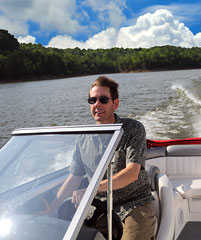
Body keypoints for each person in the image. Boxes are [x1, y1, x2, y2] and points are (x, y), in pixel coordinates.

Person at [49, 76, 156, 240]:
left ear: (115, 104)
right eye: (92, 100)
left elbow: (131, 173)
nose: (97, 104)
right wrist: (49, 210)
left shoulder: (133, 129)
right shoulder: (83, 138)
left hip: (134, 204)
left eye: (103, 99)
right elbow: (74, 178)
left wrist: (92, 189)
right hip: (100, 207)